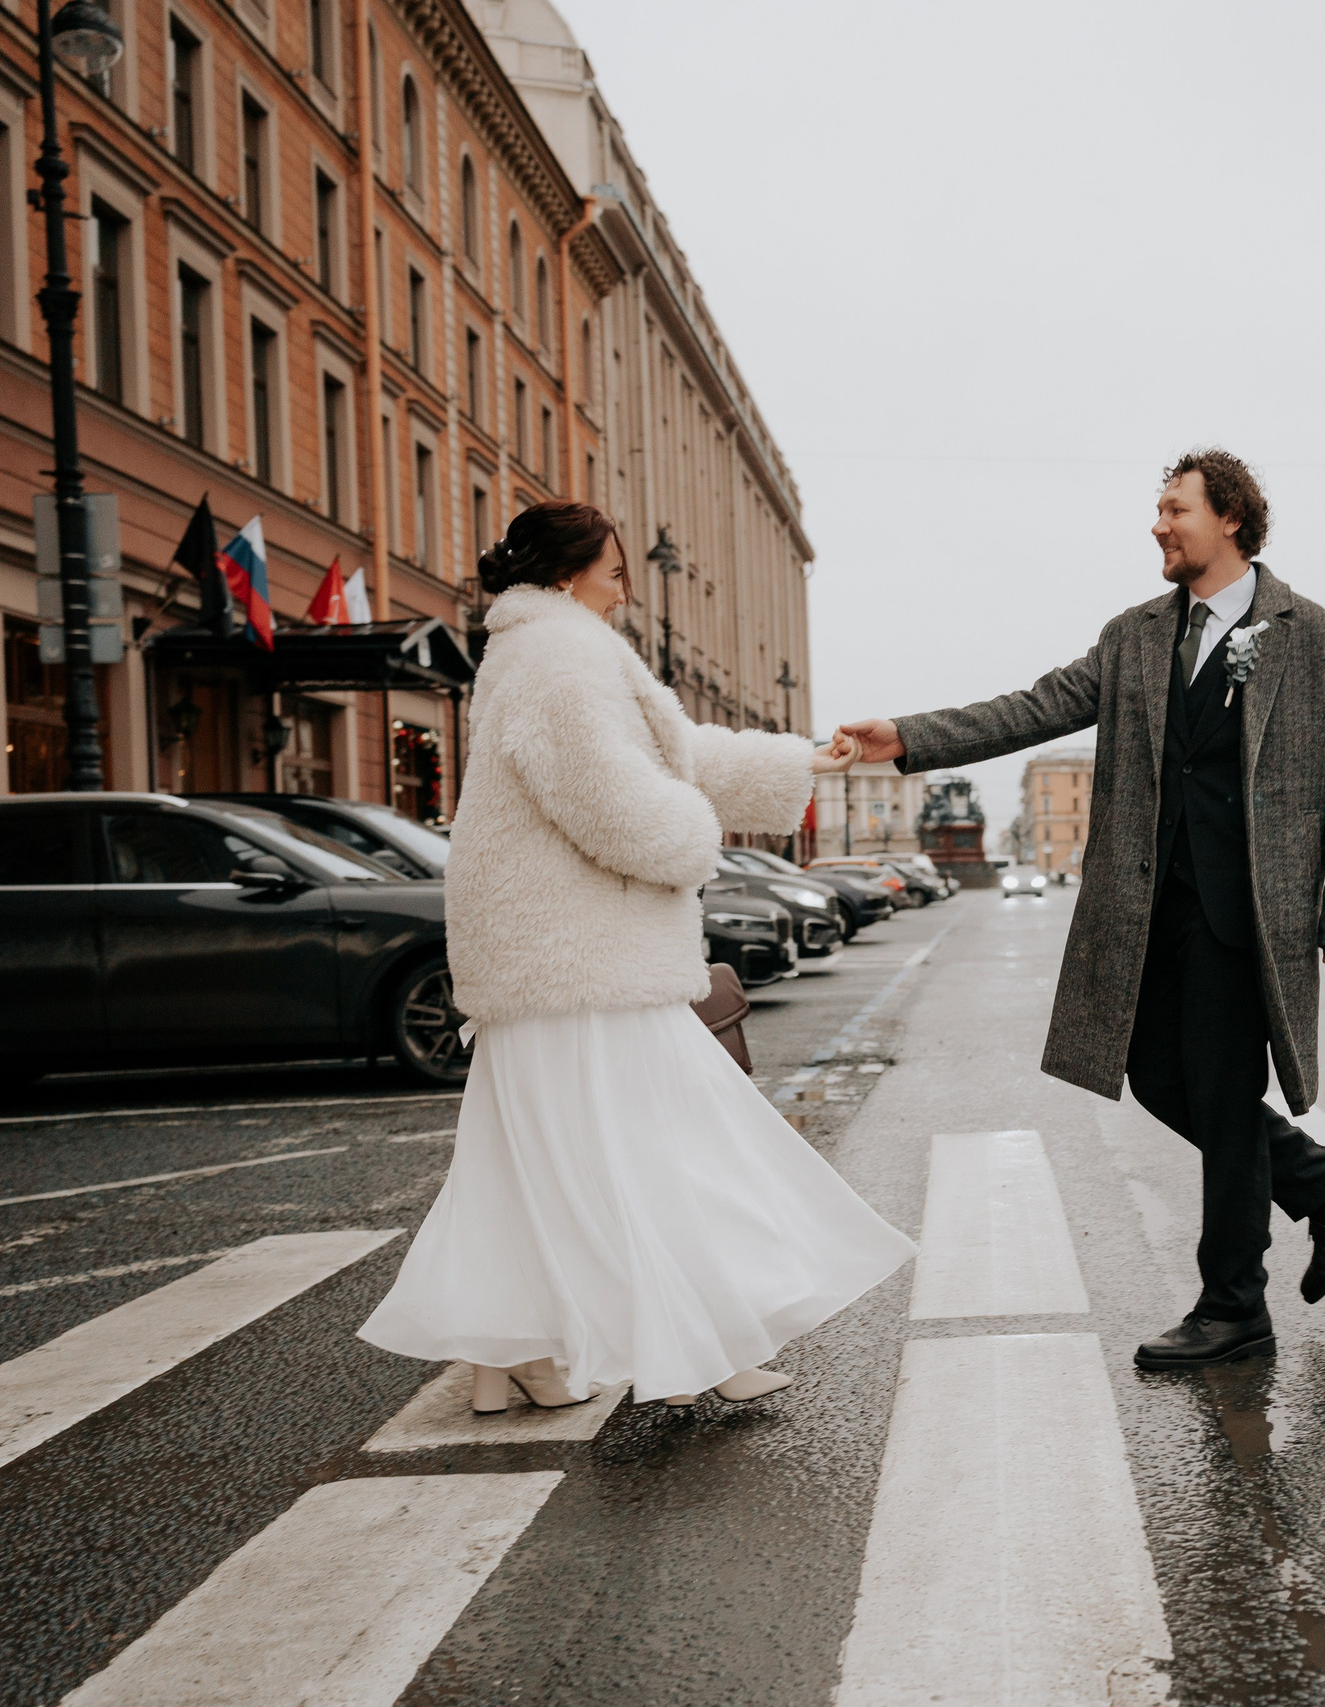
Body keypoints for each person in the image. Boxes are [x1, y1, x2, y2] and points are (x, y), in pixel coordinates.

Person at [359, 501, 912, 1415]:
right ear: (567, 573)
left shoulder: (541, 649)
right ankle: (702, 1345)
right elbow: (608, 794)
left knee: (531, 1167)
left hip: (546, 960)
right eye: (615, 574)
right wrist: (696, 840)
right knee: (667, 1144)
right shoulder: (559, 654)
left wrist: (803, 761)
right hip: (581, 958)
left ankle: (510, 1355)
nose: (625, 592)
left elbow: (673, 750)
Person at [839, 449, 1325, 1371]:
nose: (1157, 524)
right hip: (1145, 906)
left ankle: (1234, 1305)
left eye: (1175, 509)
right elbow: (1034, 707)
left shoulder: (1314, 635)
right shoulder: (1134, 636)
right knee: (1159, 1076)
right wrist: (907, 738)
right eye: (1159, 509)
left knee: (1223, 1093)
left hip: (1250, 914)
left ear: (1231, 520)